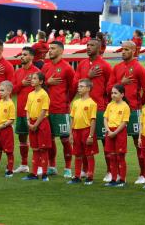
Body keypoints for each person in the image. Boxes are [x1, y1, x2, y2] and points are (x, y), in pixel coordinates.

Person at [108, 41, 145, 185]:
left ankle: (143, 174)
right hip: (116, 112)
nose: (123, 52)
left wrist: (140, 103)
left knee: (138, 143)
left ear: (134, 51)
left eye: (126, 49)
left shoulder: (139, 68)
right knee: (115, 143)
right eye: (122, 49)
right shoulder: (117, 68)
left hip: (133, 111)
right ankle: (117, 175)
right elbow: (109, 88)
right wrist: (121, 82)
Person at [73, 38, 112, 181]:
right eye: (87, 45)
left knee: (104, 141)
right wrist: (87, 77)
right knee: (82, 141)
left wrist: (107, 103)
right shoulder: (81, 64)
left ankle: (110, 171)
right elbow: (76, 83)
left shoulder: (105, 66)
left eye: (92, 45)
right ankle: (84, 170)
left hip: (100, 109)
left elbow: (110, 86)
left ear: (99, 48)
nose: (88, 47)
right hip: (82, 109)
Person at [42, 41, 76, 178]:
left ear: (61, 51)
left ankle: (68, 168)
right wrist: (46, 83)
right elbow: (38, 84)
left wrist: (66, 101)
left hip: (61, 109)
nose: (50, 50)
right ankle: (52, 166)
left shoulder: (67, 68)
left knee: (64, 139)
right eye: (49, 48)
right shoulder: (45, 67)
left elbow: (73, 87)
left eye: (53, 48)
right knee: (49, 139)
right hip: (46, 109)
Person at [12, 47, 39, 174]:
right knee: (22, 138)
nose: (22, 56)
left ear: (32, 57)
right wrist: (21, 84)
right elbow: (12, 91)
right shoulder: (17, 73)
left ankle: (38, 166)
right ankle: (24, 164)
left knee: (36, 140)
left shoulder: (37, 73)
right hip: (21, 111)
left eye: (25, 54)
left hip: (34, 113)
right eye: (21, 54)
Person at [68, 79, 98, 185]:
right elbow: (72, 118)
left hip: (86, 131)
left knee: (89, 154)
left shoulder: (92, 103)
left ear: (88, 88)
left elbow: (93, 120)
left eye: (81, 86)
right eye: (78, 86)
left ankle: (90, 176)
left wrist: (90, 135)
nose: (78, 88)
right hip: (76, 131)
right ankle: (77, 176)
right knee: (77, 154)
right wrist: (71, 134)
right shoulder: (75, 103)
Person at [23, 72, 52, 181]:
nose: (32, 80)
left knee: (43, 149)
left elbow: (44, 111)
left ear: (41, 81)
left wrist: (36, 124)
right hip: (31, 123)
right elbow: (27, 109)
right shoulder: (30, 94)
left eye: (34, 78)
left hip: (42, 123)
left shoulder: (44, 94)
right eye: (31, 78)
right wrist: (28, 122)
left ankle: (44, 174)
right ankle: (34, 173)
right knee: (35, 149)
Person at [103, 84, 130, 187]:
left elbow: (124, 122)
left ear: (122, 94)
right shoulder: (110, 105)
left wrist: (115, 132)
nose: (113, 95)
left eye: (115, 93)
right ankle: (114, 179)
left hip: (119, 132)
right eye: (112, 93)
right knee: (112, 157)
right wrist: (108, 130)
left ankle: (122, 179)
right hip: (110, 132)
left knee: (120, 157)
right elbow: (105, 118)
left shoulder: (125, 106)